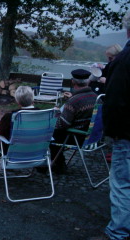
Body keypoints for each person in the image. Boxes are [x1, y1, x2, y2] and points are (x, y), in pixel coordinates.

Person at [91, 11, 130, 240]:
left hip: (126, 134)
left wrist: (110, 134)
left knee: (123, 183)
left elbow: (113, 102)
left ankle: (118, 232)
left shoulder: (124, 61)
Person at [49, 69, 98, 174]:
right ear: (88, 82)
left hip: (76, 137)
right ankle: (56, 162)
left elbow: (62, 124)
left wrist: (57, 113)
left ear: (73, 82)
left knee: (49, 133)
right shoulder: (96, 98)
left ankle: (58, 164)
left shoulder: (74, 101)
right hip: (92, 137)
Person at [0, 86, 40, 176]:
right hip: (36, 150)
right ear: (33, 99)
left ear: (17, 101)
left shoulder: (11, 116)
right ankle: (41, 167)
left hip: (14, 150)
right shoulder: (42, 114)